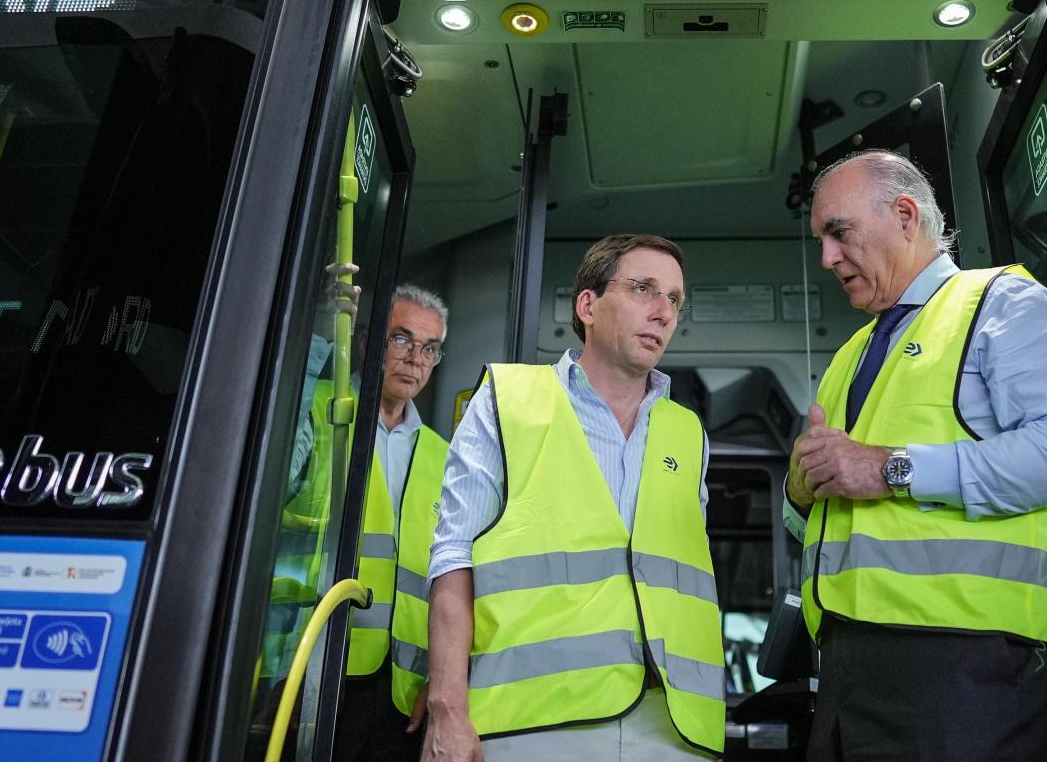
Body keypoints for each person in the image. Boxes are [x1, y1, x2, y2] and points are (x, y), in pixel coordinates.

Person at [786, 150, 1047, 761]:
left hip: (967, 667)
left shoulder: (1001, 304)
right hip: (846, 671)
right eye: (821, 241)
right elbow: (824, 513)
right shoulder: (851, 354)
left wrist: (891, 469)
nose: (828, 258)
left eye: (839, 233)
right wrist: (800, 490)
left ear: (906, 216)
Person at [420, 235, 724, 762]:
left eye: (674, 299)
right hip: (535, 723)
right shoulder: (506, 400)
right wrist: (448, 710)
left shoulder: (687, 432)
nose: (662, 311)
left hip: (674, 728)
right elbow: (453, 558)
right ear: (588, 305)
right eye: (643, 289)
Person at [268, 282, 454, 761]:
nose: (416, 358)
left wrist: (442, 680)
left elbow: (453, 579)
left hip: (400, 691)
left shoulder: (445, 455)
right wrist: (320, 336)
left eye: (430, 348)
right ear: (369, 342)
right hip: (306, 667)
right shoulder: (317, 407)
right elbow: (274, 482)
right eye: (402, 340)